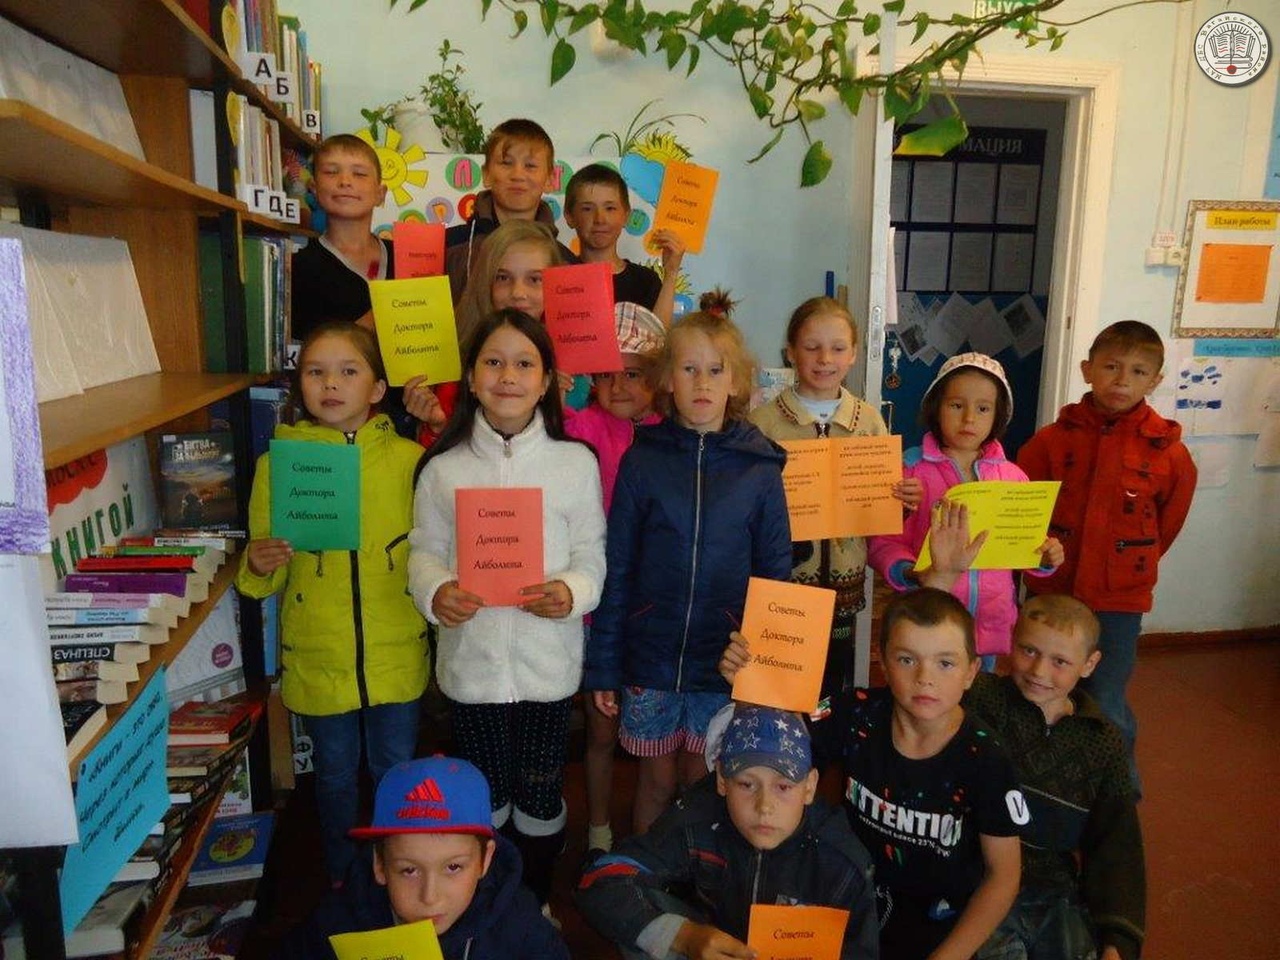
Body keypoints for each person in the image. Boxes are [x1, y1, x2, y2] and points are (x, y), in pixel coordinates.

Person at [407, 309, 606, 912]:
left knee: (540, 794)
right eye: (493, 362)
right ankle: (488, 908)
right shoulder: (443, 468)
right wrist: (436, 591)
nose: (508, 376)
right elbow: (423, 550)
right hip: (473, 669)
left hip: (548, 669)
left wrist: (572, 590)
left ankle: (535, 904)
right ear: (471, 377)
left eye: (524, 364)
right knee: (485, 795)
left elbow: (592, 553)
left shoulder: (575, 463)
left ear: (546, 382)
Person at [721, 588, 1026, 960]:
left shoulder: (987, 758)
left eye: (945, 663)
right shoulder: (855, 712)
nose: (924, 678)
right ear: (882, 661)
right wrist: (749, 687)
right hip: (845, 896)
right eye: (906, 659)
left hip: (939, 920)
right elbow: (778, 743)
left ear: (971, 672)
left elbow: (1003, 876)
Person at [586, 308, 793, 834]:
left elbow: (776, 576)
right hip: (650, 657)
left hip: (724, 662)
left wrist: (767, 668)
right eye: (689, 369)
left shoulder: (761, 469)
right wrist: (605, 666)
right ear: (667, 382)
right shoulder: (642, 460)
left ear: (737, 382)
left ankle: (699, 873)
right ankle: (647, 874)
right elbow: (618, 567)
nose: (702, 383)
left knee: (703, 782)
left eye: (716, 370)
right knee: (655, 782)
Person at [236, 322, 428, 885]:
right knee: (335, 776)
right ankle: (343, 878)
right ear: (300, 384)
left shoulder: (411, 461)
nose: (331, 384)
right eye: (316, 372)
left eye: (348, 371)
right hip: (320, 652)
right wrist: (258, 564)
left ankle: (401, 874)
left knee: (395, 770)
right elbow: (263, 569)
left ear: (378, 388)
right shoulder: (279, 465)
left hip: (396, 648)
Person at [1016, 321, 1195, 784]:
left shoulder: (1168, 453)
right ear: (1087, 370)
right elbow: (1021, 507)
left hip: (1119, 601)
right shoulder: (1051, 441)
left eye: (1138, 372)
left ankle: (1117, 791)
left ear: (1154, 381)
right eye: (1111, 367)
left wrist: (1126, 566)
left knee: (1105, 697)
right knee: (1038, 687)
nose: (1122, 380)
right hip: (1054, 591)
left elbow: (1167, 525)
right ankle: (1038, 781)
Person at [748, 296, 922, 771]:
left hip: (844, 586)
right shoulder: (762, 424)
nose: (825, 359)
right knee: (779, 680)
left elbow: (881, 508)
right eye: (812, 347)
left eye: (838, 348)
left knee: (831, 683)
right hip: (784, 583)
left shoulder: (868, 421)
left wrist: (901, 498)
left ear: (853, 354)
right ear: (790, 352)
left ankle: (820, 764)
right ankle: (778, 766)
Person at [576, 703, 879, 960]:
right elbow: (599, 879)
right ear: (721, 779)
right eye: (746, 784)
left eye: (784, 787)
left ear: (810, 786)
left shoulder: (841, 862)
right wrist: (684, 936)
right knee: (638, 920)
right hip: (712, 945)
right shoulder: (698, 819)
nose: (764, 806)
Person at [963, 595, 1145, 960]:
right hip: (975, 878)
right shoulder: (979, 700)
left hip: (1053, 893)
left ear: (1089, 664)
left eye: (1060, 661)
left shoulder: (1103, 742)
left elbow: (1116, 844)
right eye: (1029, 651)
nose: (1039, 671)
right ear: (1012, 641)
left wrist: (1117, 941)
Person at [867, 352, 1063, 670]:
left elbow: (1025, 544)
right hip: (928, 618)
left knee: (979, 693)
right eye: (957, 405)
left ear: (998, 416)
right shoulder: (910, 470)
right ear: (936, 408)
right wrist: (910, 572)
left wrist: (1044, 558)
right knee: (926, 687)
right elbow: (883, 541)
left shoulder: (1013, 477)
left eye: (983, 408)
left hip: (988, 624)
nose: (969, 418)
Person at [274, 755, 570, 959]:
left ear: (485, 859)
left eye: (453, 867)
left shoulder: (519, 924)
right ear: (379, 864)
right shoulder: (339, 920)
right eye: (409, 870)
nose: (430, 897)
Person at [563, 302, 666, 858]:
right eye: (606, 374)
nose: (618, 385)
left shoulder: (672, 434)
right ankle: (599, 829)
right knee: (600, 726)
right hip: (598, 601)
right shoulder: (580, 428)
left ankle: (653, 842)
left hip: (654, 603)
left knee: (653, 734)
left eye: (633, 373)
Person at [291, 133, 445, 441]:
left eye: (359, 174)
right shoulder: (300, 267)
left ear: (380, 193)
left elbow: (431, 340)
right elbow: (307, 353)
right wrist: (382, 317)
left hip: (407, 416)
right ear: (314, 189)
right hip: (334, 425)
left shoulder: (409, 259)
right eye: (331, 172)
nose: (345, 181)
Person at [444, 118, 576, 301]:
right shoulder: (449, 247)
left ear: (549, 179)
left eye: (530, 166)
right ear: (486, 174)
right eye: (506, 163)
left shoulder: (566, 262)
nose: (518, 175)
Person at [563, 162, 685, 325]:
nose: (600, 219)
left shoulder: (645, 281)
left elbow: (659, 336)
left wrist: (671, 273)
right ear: (569, 216)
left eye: (610, 208)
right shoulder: (560, 280)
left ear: (626, 216)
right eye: (587, 209)